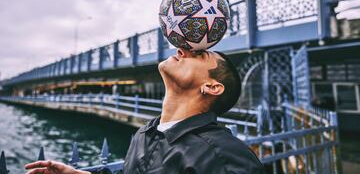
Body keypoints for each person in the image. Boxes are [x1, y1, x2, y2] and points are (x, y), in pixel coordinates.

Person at [25, 48, 265, 174]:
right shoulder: (145, 134)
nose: (182, 49)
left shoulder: (224, 157)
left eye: (199, 54)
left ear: (211, 86)